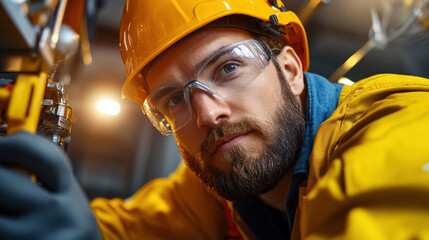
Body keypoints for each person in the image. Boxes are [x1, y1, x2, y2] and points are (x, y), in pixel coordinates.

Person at [1, 0, 429, 239]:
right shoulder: (221, 189)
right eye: (172, 101)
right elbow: (122, 230)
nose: (207, 113)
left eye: (228, 69)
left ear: (292, 69)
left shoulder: (403, 131)